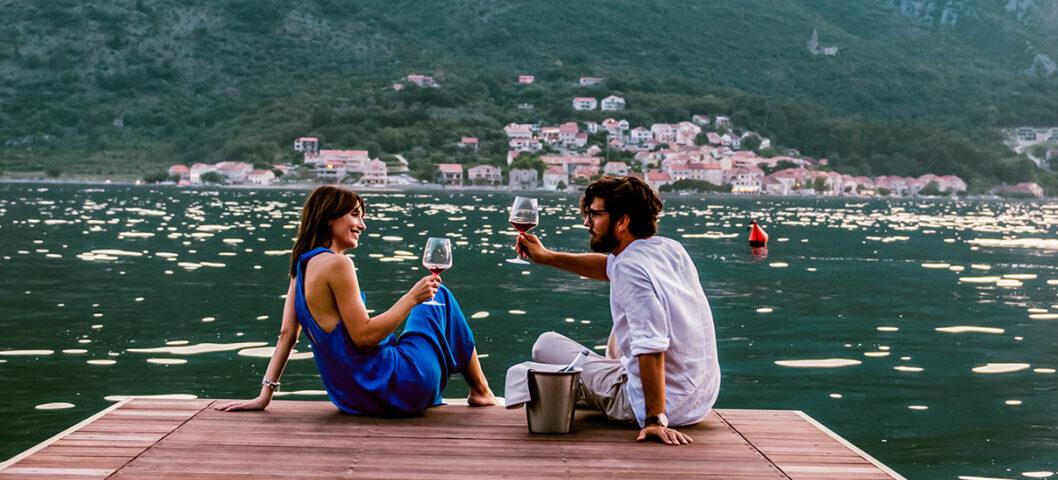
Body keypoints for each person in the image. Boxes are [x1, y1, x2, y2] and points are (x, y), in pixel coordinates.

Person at [215, 185, 498, 416]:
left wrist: (264, 396)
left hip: (351, 398)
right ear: (329, 218)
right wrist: (411, 298)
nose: (362, 224)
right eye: (354, 215)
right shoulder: (339, 265)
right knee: (440, 297)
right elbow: (364, 338)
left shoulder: (300, 267)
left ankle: (479, 390)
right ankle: (482, 391)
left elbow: (287, 335)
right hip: (398, 386)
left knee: (424, 312)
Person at [515, 175, 720, 445]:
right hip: (698, 399)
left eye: (594, 214)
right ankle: (604, 381)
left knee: (545, 346)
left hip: (649, 404)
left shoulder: (629, 267)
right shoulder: (671, 250)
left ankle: (602, 391)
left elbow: (651, 346)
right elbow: (606, 266)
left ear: (622, 221)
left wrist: (655, 420)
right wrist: (547, 257)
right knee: (619, 330)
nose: (586, 222)